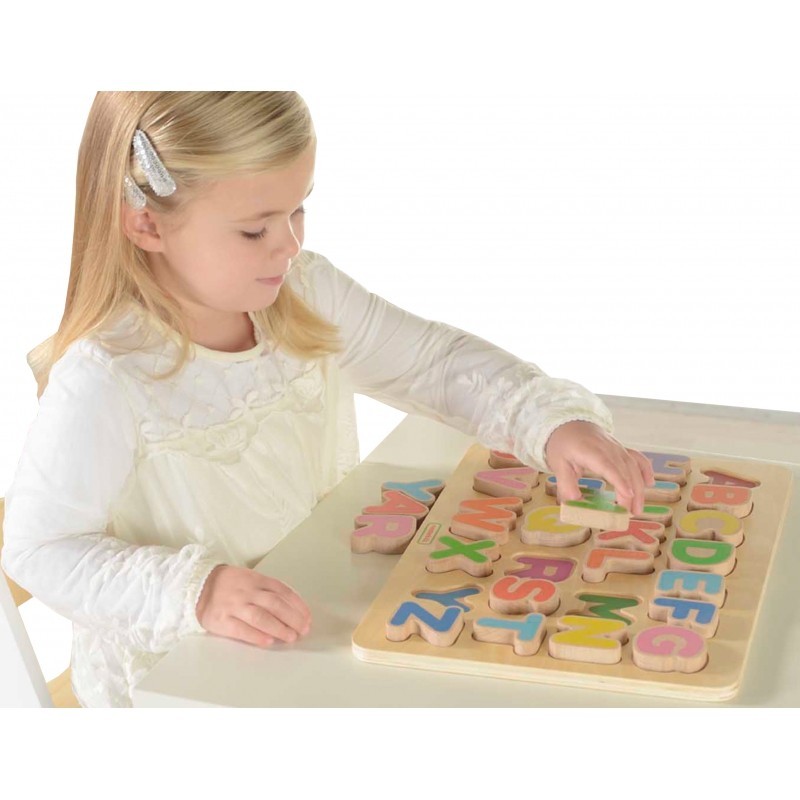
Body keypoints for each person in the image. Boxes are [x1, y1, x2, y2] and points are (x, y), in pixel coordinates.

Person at [0, 91, 654, 708]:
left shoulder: (303, 295)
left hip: (316, 620)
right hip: (181, 684)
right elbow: (39, 549)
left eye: (298, 211)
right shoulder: (106, 377)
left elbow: (432, 364)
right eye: (255, 230)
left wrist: (550, 423)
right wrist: (197, 591)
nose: (290, 245)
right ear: (146, 223)